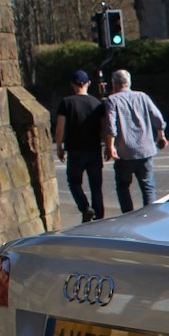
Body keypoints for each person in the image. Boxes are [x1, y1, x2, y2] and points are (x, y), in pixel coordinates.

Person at [102, 69, 168, 212]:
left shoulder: (112, 100)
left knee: (123, 186)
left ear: (114, 84)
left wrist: (110, 146)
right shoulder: (143, 96)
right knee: (148, 186)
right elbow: (157, 116)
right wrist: (161, 134)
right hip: (145, 148)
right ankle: (150, 215)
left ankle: (128, 215)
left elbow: (111, 126)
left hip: (125, 150)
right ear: (129, 82)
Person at [52, 70, 106, 222]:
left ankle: (85, 207)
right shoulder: (97, 103)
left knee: (74, 182)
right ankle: (99, 215)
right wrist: (108, 145)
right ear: (88, 83)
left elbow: (60, 128)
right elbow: (104, 127)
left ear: (72, 84)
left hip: (75, 150)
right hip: (94, 148)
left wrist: (59, 147)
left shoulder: (66, 102)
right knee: (96, 185)